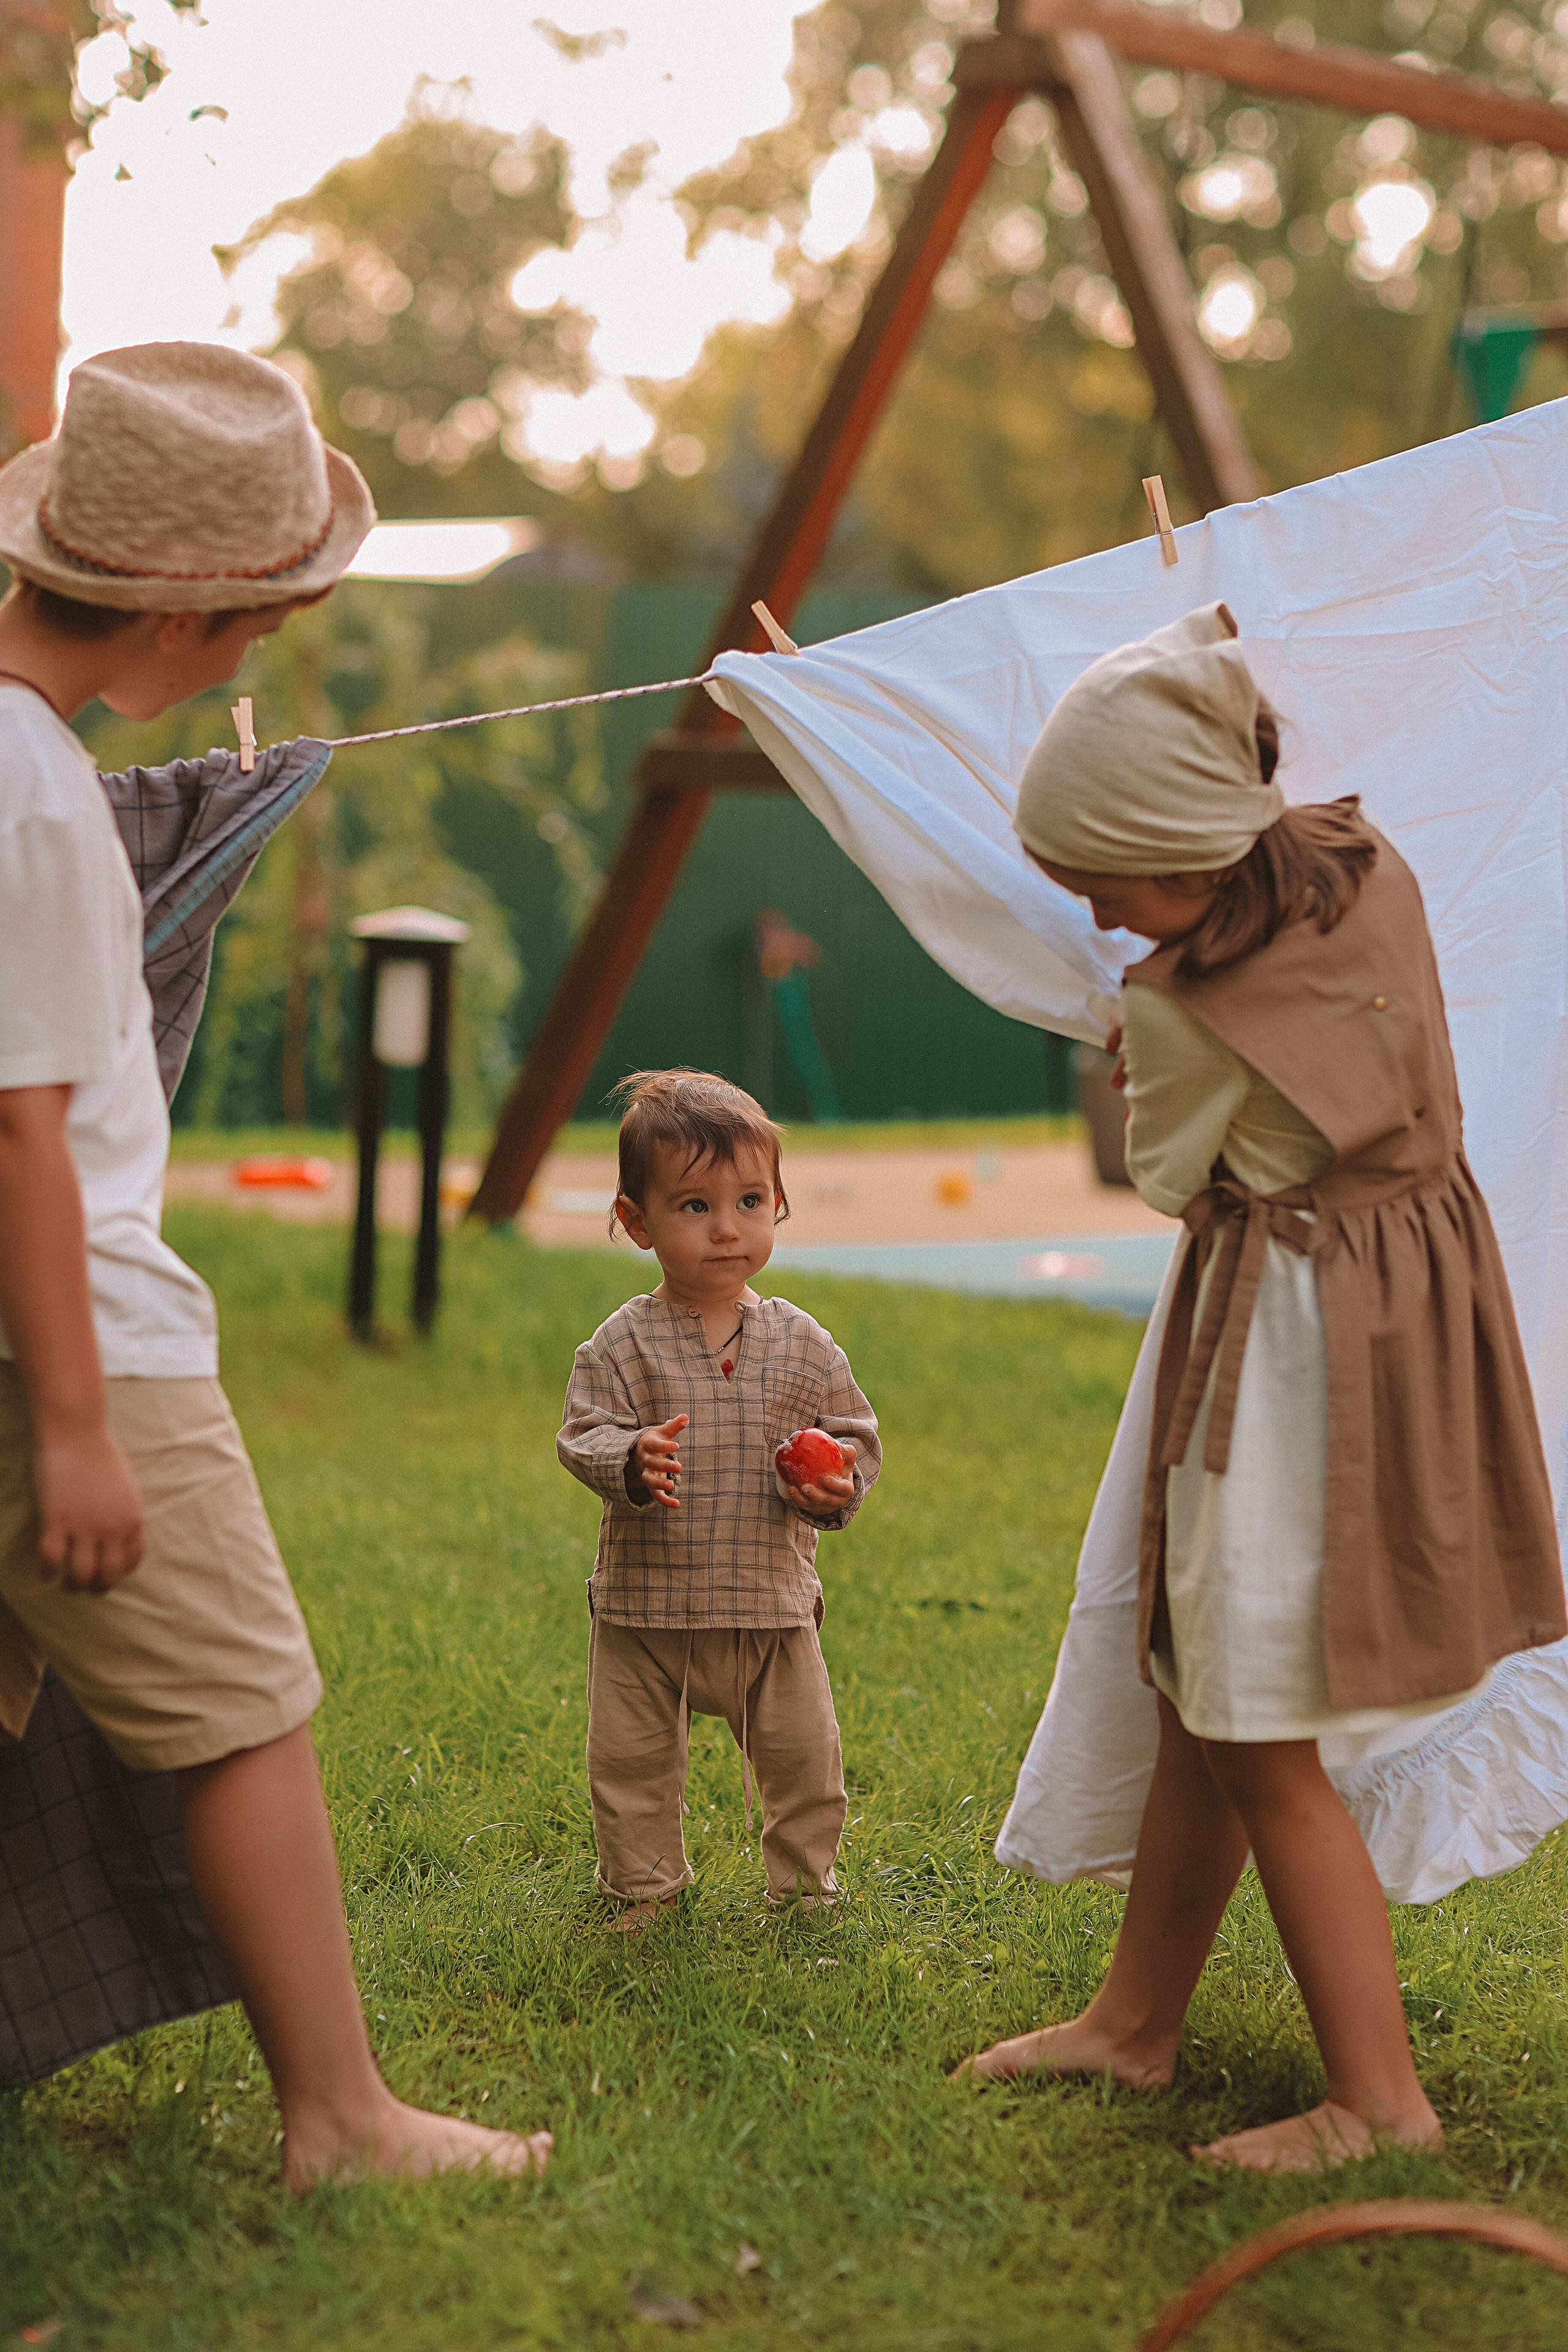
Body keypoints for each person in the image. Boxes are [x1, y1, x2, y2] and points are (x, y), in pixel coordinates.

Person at [0, 341, 551, 2186]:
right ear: (185, 618)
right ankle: (342, 2116)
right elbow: (24, 1131)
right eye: (255, 622)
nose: (255, 658)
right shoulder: (39, 801)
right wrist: (78, 1421)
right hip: (81, 1348)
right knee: (244, 1706)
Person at [957, 603, 1564, 2171]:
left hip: (1285, 1363)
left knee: (1259, 1730)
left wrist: (1133, 1049)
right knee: (1206, 1687)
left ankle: (1377, 2102)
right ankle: (1134, 2023)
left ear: (1175, 850)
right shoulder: (1362, 869)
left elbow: (1171, 1174)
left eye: (1099, 882)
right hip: (1404, 1312)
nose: (1095, 915)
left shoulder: (1173, 1006)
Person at [557, 1069, 880, 1928]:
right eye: (695, 1206)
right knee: (628, 1761)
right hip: (645, 1610)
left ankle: (805, 1886)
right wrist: (630, 1457)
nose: (727, 1228)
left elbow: (853, 1431)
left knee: (804, 1759)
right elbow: (582, 1432)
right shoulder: (621, 1344)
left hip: (766, 1608)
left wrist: (835, 1476)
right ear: (636, 1221)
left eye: (749, 1201)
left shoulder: (801, 1343)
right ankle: (646, 1887)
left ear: (779, 1203)